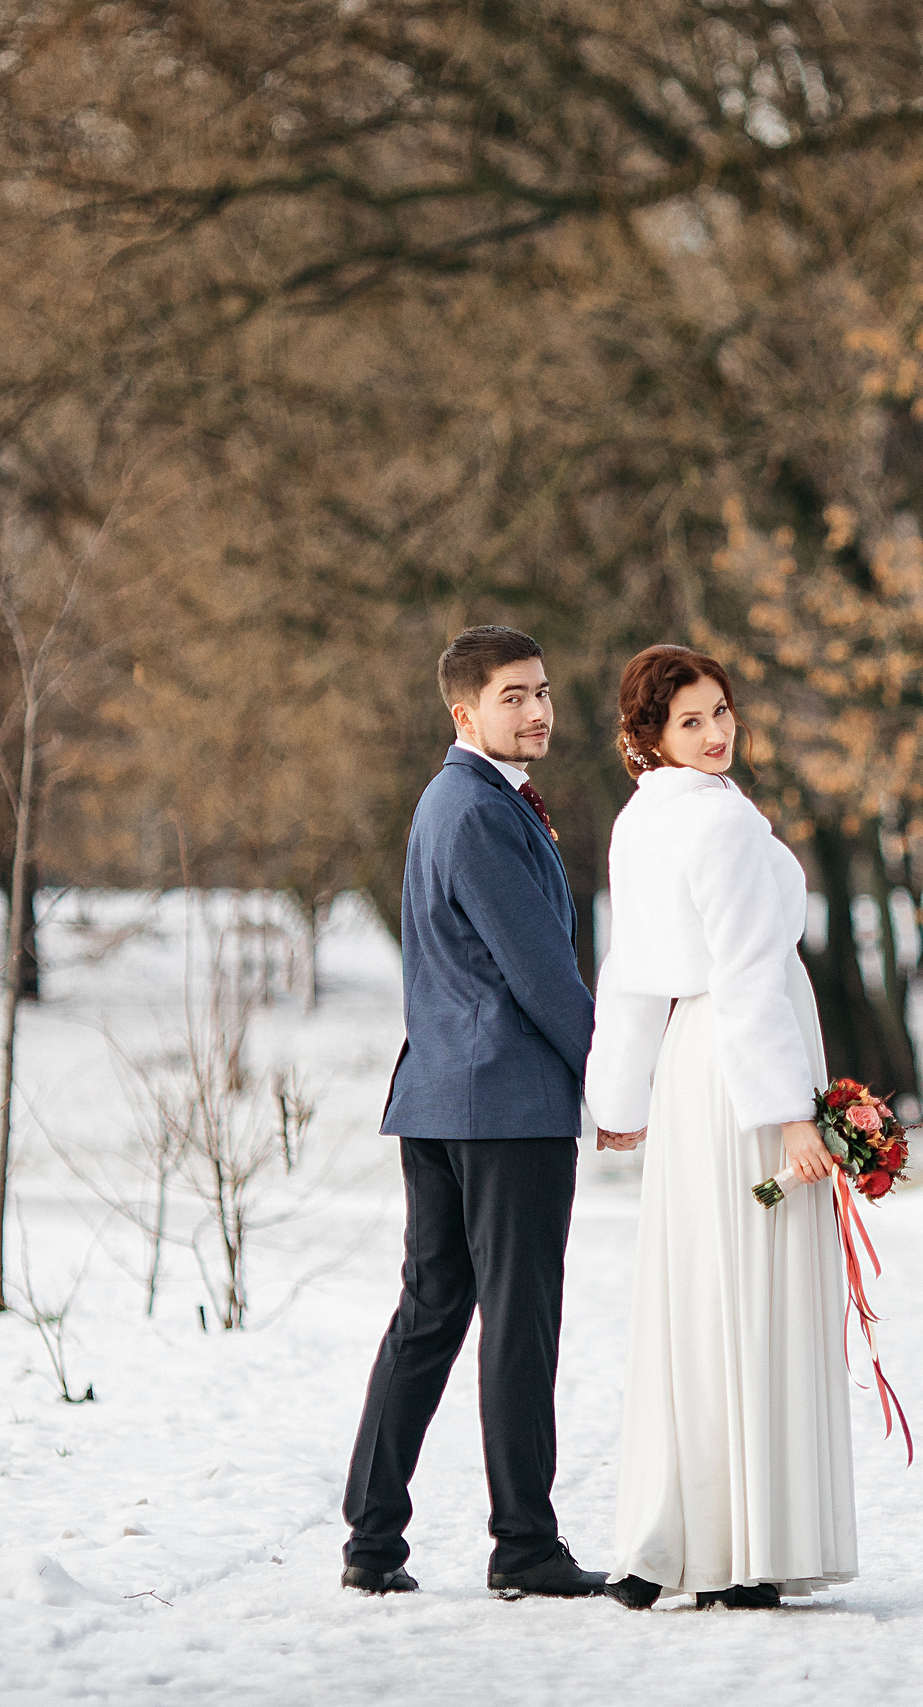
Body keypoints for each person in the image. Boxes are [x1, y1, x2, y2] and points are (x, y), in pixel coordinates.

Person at [584, 644, 858, 1611]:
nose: (717, 732)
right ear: (649, 736)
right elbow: (746, 978)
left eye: (723, 711)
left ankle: (680, 1539)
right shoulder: (721, 821)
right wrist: (790, 1117)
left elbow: (628, 973)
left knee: (700, 1296)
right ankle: (748, 1547)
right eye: (692, 720)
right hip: (745, 1078)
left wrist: (619, 1100)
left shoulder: (639, 820)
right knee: (751, 1293)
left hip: (689, 1072)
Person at [340, 625, 607, 1601]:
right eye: (512, 696)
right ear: (465, 713)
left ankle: (372, 1541)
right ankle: (524, 1547)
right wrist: (612, 1081)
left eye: (542, 691)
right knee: (518, 1322)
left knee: (431, 1313)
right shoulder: (480, 812)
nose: (536, 710)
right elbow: (540, 971)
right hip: (507, 1105)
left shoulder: (451, 801)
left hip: (441, 1096)